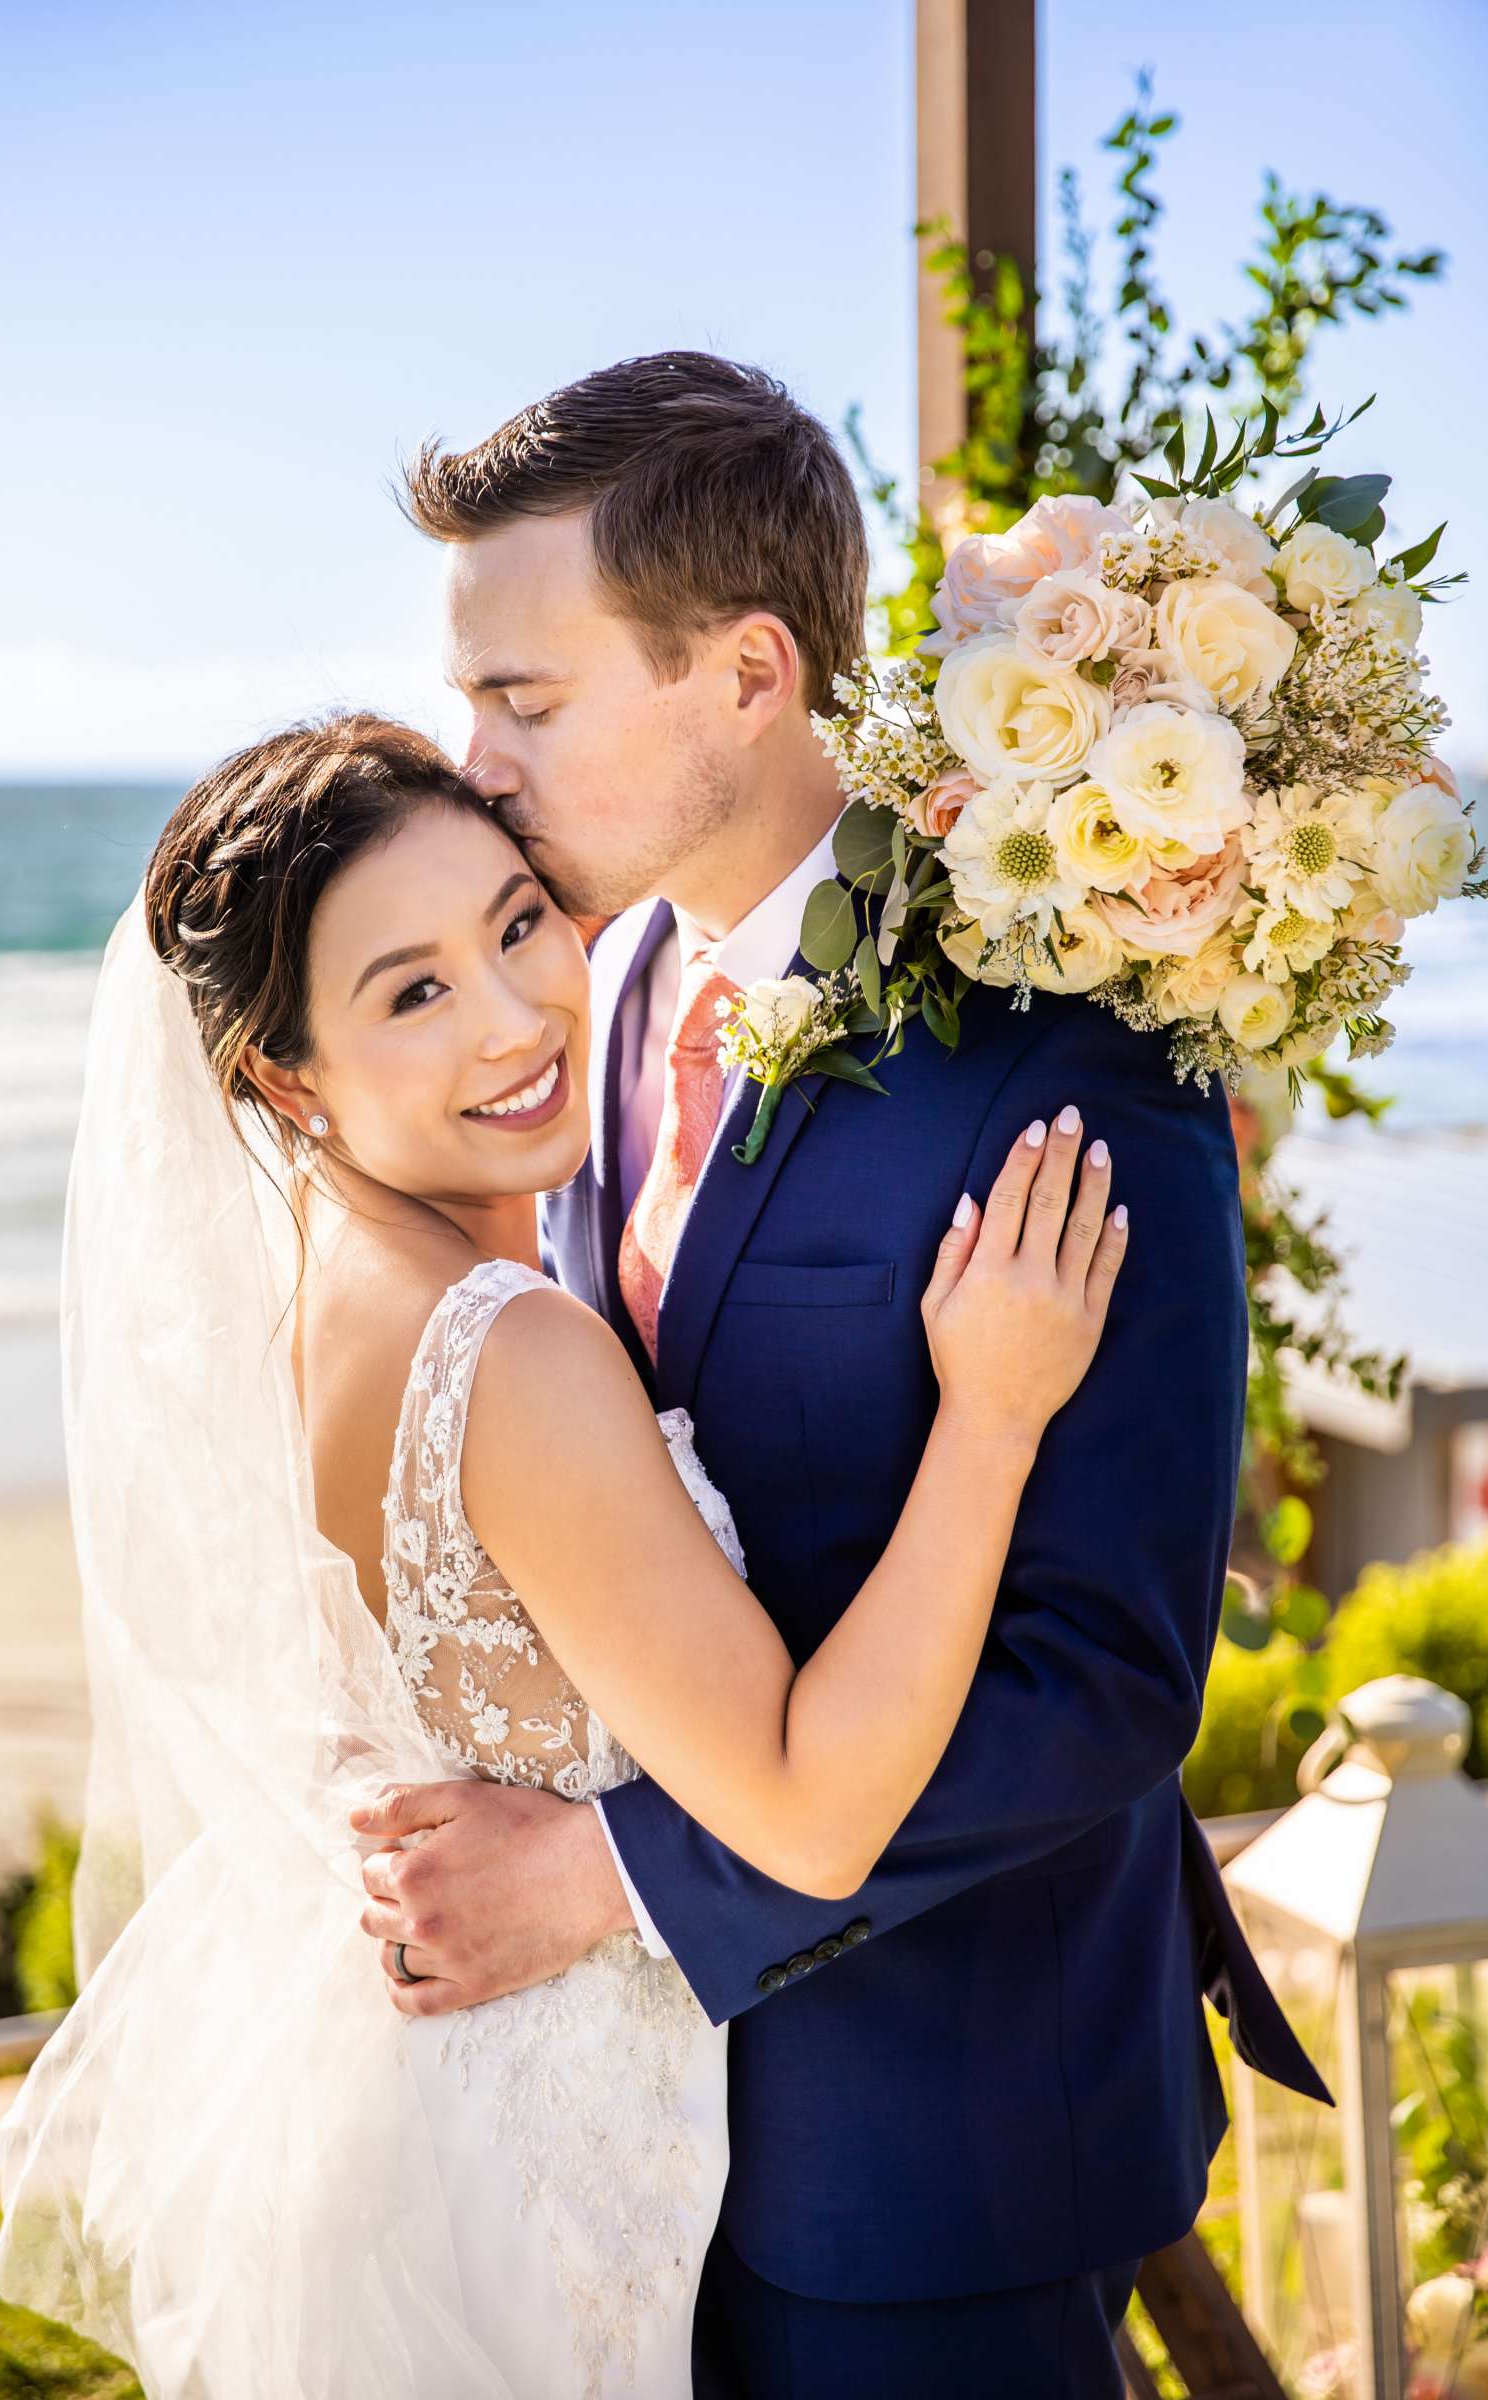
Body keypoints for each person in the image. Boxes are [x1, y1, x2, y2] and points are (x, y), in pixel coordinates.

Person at [355, 352, 1330, 2397]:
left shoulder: (1070, 1057)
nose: (475, 762)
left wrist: (611, 1883)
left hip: (937, 2157)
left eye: (523, 701)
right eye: (466, 702)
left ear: (744, 673)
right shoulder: (594, 989)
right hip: (632, 2151)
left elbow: (1100, 1680)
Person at [0, 712, 1127, 2398]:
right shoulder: (508, 1352)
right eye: (413, 991)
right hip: (531, 2186)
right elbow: (812, 1812)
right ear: (283, 1077)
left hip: (418, 2140)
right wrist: (997, 1413)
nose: (519, 1016)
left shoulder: (305, 1297)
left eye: (518, 925)